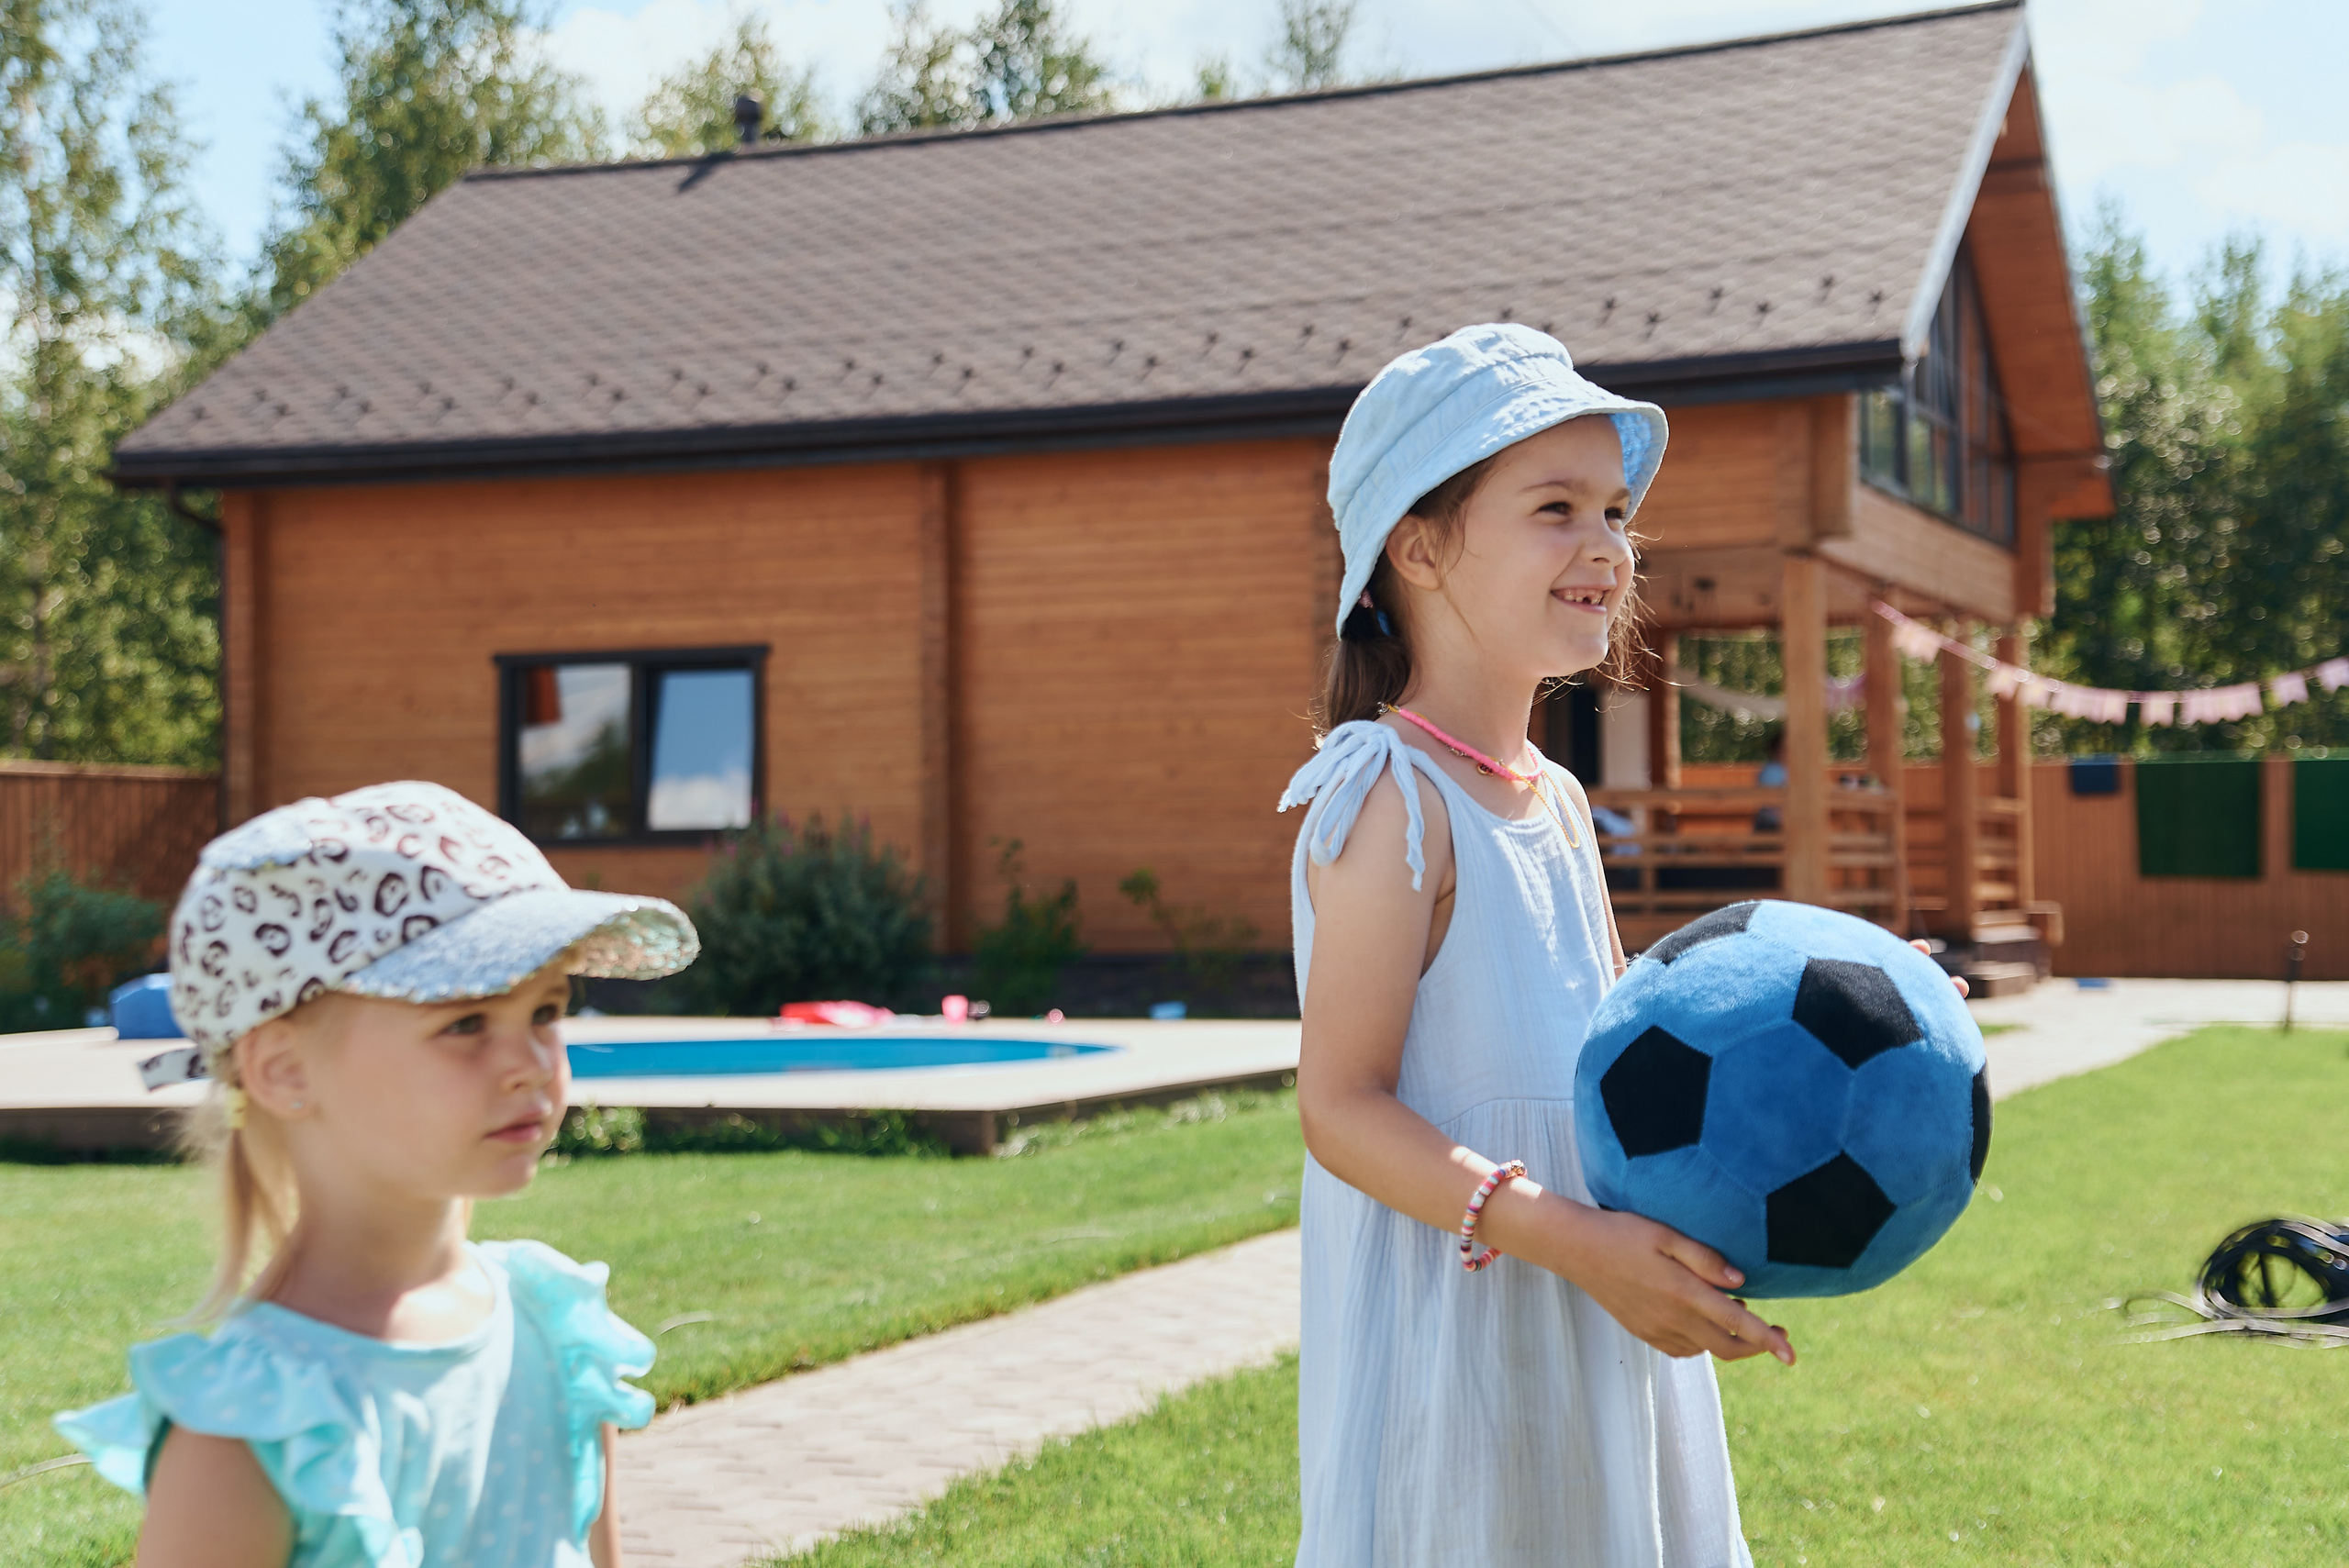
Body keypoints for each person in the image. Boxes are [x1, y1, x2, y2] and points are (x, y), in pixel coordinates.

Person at [1279, 325, 1959, 1566]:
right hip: (1463, 1327)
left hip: (1582, 1302)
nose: (1606, 546)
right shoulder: (1391, 797)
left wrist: (1885, 1019)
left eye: (1616, 510)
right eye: (1556, 507)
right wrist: (1569, 1239)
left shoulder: (1559, 800)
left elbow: (1629, 1045)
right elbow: (1340, 1108)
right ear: (1419, 547)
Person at [55, 782, 699, 1567]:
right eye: (465, 1022)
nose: (529, 1063)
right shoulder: (259, 1422)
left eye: (545, 1010)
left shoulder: (550, 1321)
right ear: (286, 1070)